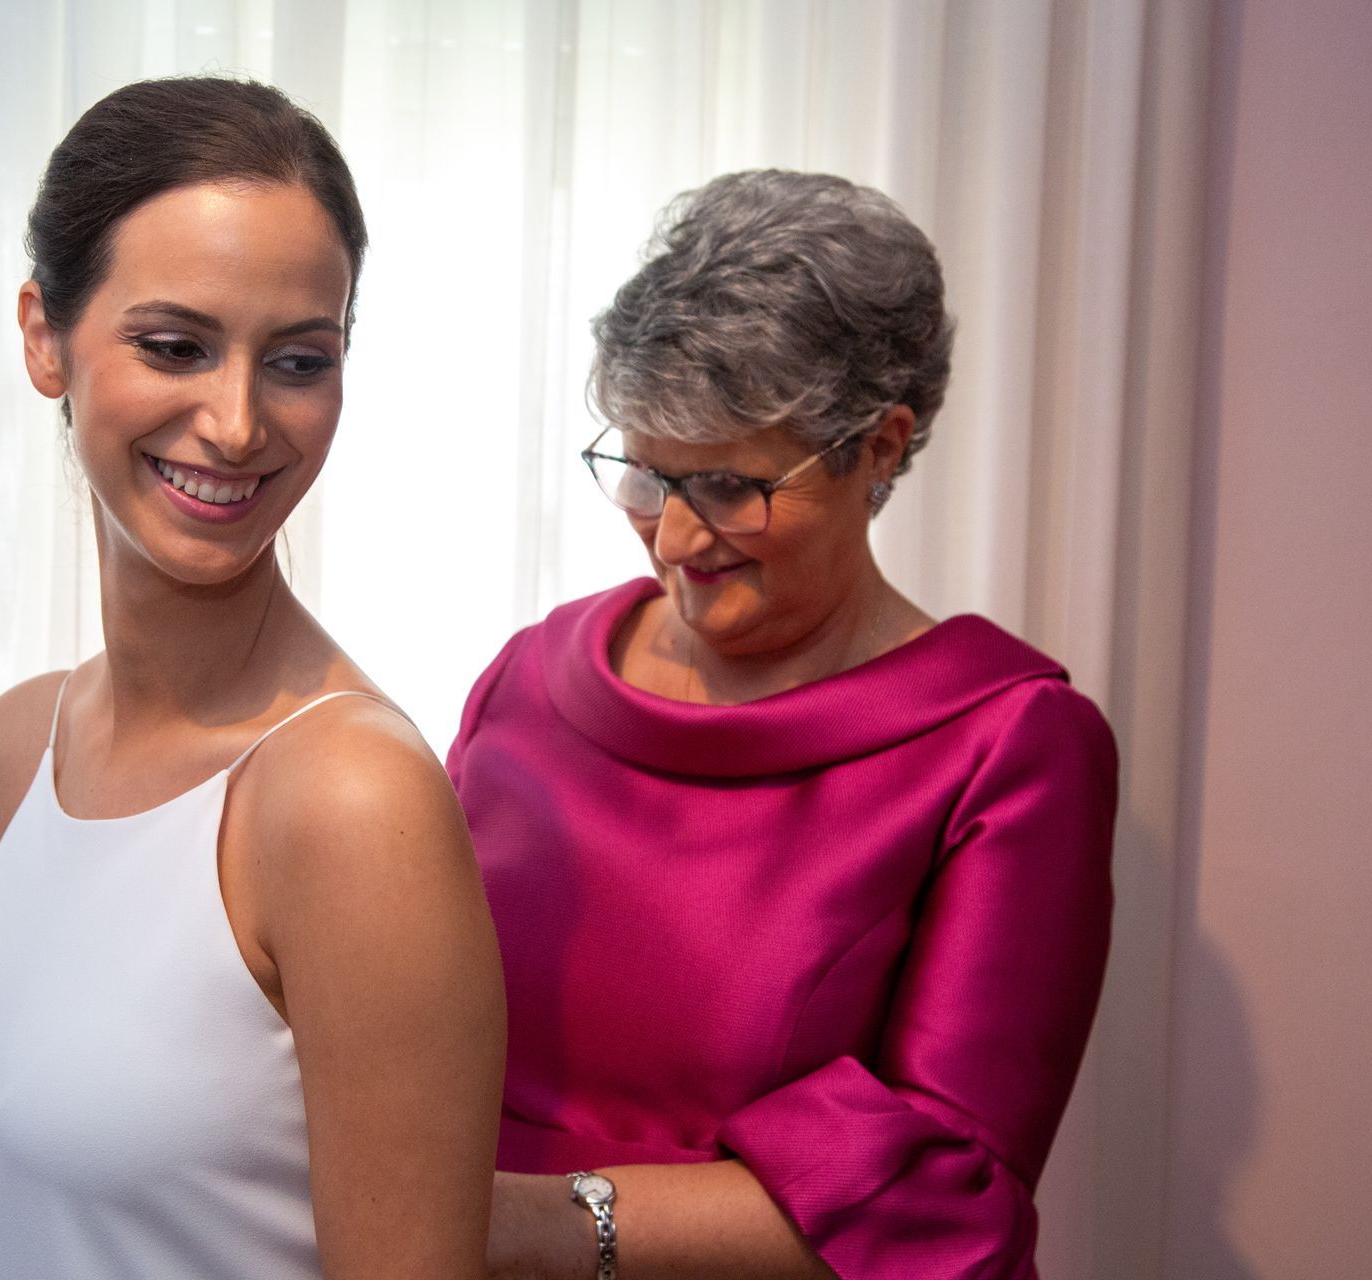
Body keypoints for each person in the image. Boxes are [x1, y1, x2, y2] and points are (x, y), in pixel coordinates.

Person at [448, 170, 1117, 1279]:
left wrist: (526, 1227)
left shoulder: (1007, 746)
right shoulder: (533, 679)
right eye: (645, 473)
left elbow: (947, 1188)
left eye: (728, 485)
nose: (672, 539)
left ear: (881, 446)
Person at [0, 77, 505, 1280]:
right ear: (44, 336)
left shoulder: (351, 801)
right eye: (176, 346)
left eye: (298, 360)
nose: (236, 423)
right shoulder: (12, 752)